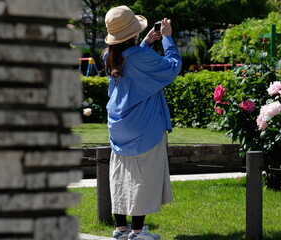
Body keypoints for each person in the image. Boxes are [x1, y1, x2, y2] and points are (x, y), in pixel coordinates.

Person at [101, 5, 182, 240]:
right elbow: (172, 68)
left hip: (118, 125)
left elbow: (132, 64)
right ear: (133, 32)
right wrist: (167, 39)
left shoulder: (109, 55)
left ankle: (121, 229)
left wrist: (145, 43)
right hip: (144, 124)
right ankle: (138, 233)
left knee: (121, 175)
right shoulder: (139, 56)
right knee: (143, 176)